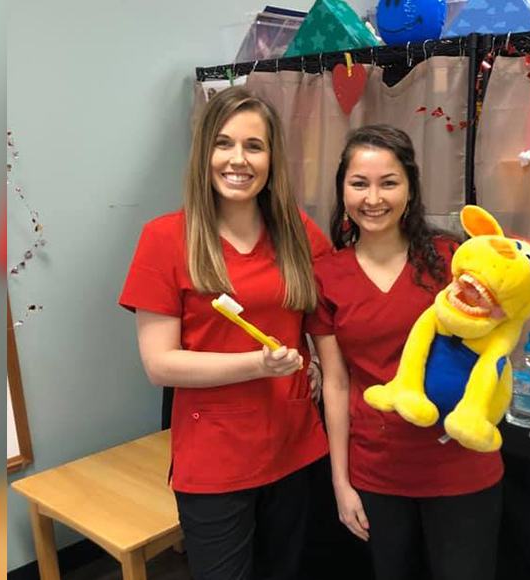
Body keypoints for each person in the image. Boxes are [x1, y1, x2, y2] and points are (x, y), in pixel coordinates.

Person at [119, 86, 331, 580]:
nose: (239, 159)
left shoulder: (298, 231)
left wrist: (316, 360)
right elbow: (160, 364)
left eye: (254, 146)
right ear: (204, 154)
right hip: (216, 460)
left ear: (272, 158)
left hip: (295, 444)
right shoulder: (165, 238)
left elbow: (323, 317)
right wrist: (257, 364)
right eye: (224, 143)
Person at [307, 125, 503, 580]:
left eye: (388, 182)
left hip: (460, 465)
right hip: (378, 470)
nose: (373, 198)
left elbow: (495, 342)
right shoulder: (326, 276)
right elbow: (336, 384)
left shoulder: (454, 260)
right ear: (342, 190)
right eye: (359, 183)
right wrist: (341, 483)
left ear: (410, 190)